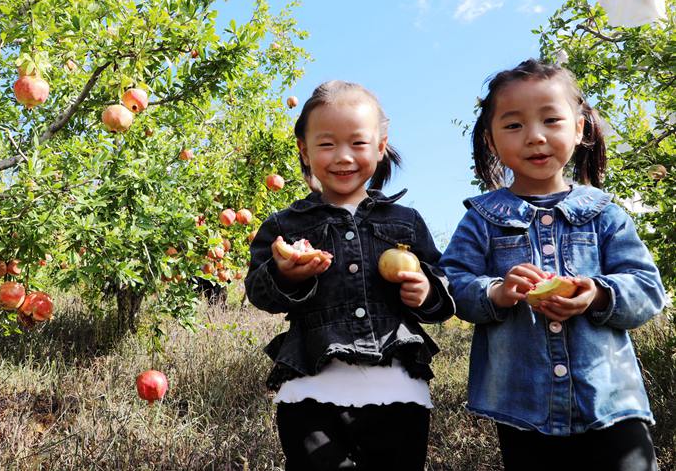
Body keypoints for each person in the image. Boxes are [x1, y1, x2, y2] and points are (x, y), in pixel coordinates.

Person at [439, 59, 667, 471]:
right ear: (491, 141)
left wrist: (597, 294)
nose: (535, 137)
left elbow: (648, 289)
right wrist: (497, 292)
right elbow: (451, 285)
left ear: (579, 129)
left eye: (551, 120)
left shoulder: (604, 213)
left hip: (611, 402)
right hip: (524, 410)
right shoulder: (482, 219)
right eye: (514, 125)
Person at [245, 80, 455, 470]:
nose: (343, 156)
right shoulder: (286, 225)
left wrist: (426, 291)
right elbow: (259, 292)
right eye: (326, 144)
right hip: (311, 391)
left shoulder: (405, 222)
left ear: (380, 147)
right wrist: (285, 274)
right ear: (304, 151)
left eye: (358, 143)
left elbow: (443, 293)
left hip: (398, 392)